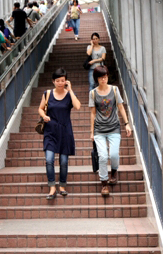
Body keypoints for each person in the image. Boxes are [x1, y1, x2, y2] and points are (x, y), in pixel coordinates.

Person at [89, 66, 132, 196]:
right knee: (102, 156)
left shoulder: (114, 89)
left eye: (106, 76)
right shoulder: (93, 93)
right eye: (101, 77)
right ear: (97, 78)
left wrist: (127, 124)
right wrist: (92, 132)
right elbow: (92, 113)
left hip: (114, 127)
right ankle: (104, 184)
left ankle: (114, 172)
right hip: (99, 130)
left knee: (113, 154)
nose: (104, 79)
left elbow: (120, 107)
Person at [38, 69, 81, 199]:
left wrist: (71, 90)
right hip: (50, 131)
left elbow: (78, 106)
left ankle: (62, 185)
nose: (60, 83)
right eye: (58, 81)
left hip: (65, 131)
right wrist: (44, 116)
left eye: (63, 80)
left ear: (66, 81)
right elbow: (40, 108)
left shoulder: (69, 95)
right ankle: (52, 187)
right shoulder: (47, 94)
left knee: (63, 161)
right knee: (49, 159)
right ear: (53, 81)